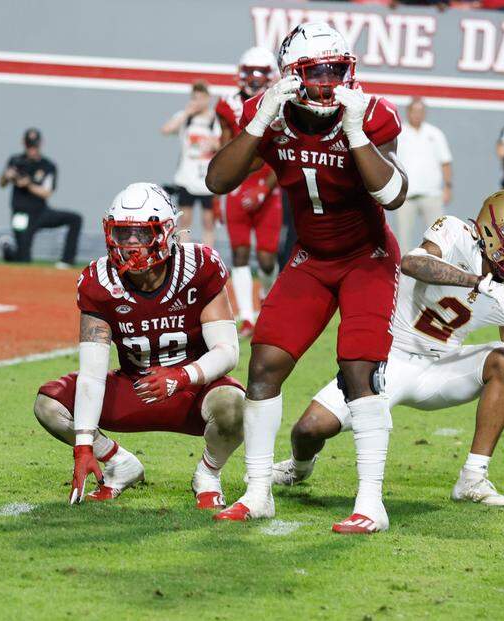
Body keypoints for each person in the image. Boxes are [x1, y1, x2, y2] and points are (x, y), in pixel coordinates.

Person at [206, 23, 407, 533]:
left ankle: (370, 502)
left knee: (359, 368)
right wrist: (259, 123)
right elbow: (218, 180)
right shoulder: (267, 114)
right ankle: (256, 492)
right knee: (265, 363)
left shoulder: (372, 114)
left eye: (336, 70)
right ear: (291, 77)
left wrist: (357, 133)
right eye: (315, 72)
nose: (327, 82)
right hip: (313, 257)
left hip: (368, 255)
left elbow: (393, 195)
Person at [272, 190, 504, 510]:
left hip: (442, 368)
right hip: (387, 360)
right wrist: (478, 282)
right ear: (493, 230)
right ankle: (298, 467)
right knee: (309, 429)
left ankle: (473, 478)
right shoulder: (454, 233)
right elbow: (414, 263)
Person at [34, 182, 244, 509]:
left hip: (191, 390)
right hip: (135, 386)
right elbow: (92, 374)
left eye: (143, 234)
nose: (131, 244)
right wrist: (85, 446)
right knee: (49, 405)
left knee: (235, 405)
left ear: (167, 232)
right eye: (123, 233)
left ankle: (208, 473)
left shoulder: (198, 267)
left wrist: (181, 377)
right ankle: (119, 462)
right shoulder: (99, 282)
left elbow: (228, 351)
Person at [215, 47, 283, 338]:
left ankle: (267, 297)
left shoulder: (281, 102)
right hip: (239, 183)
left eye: (261, 73)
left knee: (267, 258)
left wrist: (264, 189)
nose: (255, 79)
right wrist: (220, 193)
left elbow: (282, 151)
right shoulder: (226, 104)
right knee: (240, 253)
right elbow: (225, 147)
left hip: (268, 182)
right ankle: (247, 318)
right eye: (250, 72)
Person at [0, 128, 81, 268]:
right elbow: (2, 183)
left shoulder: (48, 166)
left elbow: (47, 192)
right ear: (23, 144)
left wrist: (28, 185)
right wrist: (7, 175)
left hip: (40, 212)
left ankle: (67, 260)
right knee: (23, 260)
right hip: (21, 215)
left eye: (34, 145)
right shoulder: (15, 161)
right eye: (29, 145)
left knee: (75, 219)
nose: (32, 149)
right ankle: (9, 251)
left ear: (40, 144)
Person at [162, 80, 220, 245]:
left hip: (207, 179)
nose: (198, 101)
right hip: (186, 178)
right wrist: (186, 114)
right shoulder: (185, 118)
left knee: (208, 221)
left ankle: (209, 257)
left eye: (201, 97)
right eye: (195, 97)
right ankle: (182, 255)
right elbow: (166, 130)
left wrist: (213, 144)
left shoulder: (214, 120)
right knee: (184, 220)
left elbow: (223, 142)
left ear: (208, 98)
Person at [396, 97, 453, 252]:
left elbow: (445, 162)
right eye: (414, 111)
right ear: (407, 113)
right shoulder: (399, 134)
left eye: (420, 111)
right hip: (406, 196)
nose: (417, 114)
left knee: (438, 240)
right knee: (403, 240)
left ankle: (436, 275)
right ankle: (402, 277)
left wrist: (447, 187)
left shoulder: (435, 133)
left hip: (432, 195)